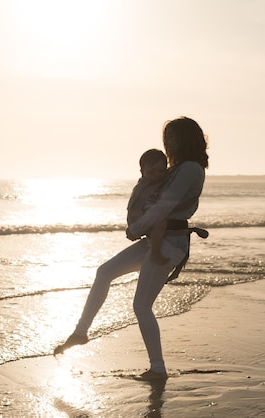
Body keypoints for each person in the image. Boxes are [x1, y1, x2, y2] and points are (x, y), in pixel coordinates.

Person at [54, 117, 209, 381]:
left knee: (141, 305)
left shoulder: (191, 169)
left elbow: (164, 206)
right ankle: (81, 332)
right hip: (157, 239)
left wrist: (135, 228)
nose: (169, 142)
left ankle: (158, 369)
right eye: (166, 137)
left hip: (171, 243)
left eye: (173, 137)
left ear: (186, 138)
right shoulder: (176, 168)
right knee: (104, 272)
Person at [127, 148, 170, 265]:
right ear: (142, 171)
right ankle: (155, 253)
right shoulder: (144, 185)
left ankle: (153, 247)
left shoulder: (156, 182)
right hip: (139, 216)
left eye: (161, 171)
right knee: (160, 223)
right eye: (151, 172)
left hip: (142, 215)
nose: (156, 175)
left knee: (159, 223)